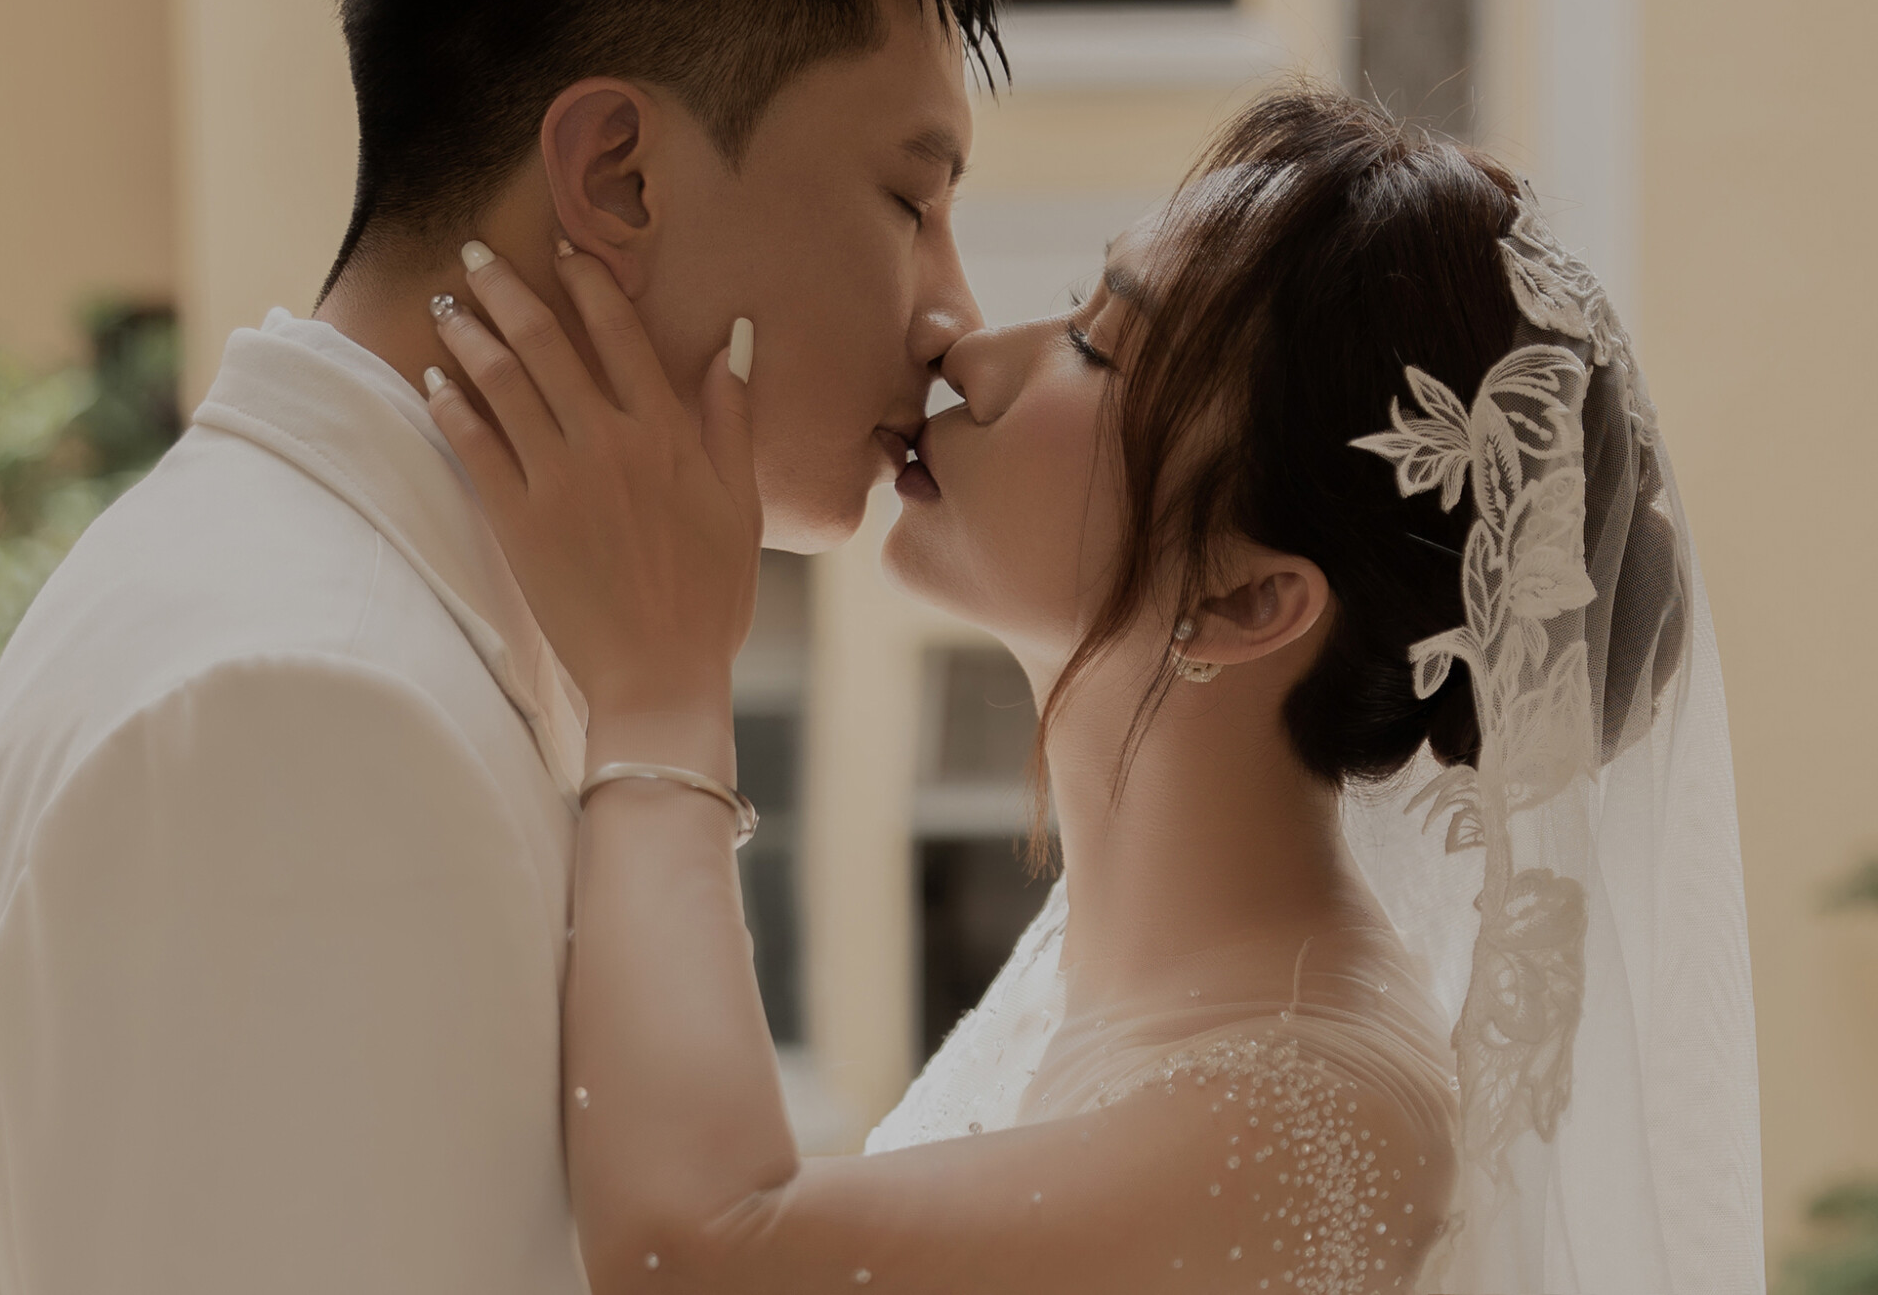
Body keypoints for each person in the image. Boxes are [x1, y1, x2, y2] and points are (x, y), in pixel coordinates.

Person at [0, 0, 1013, 1291]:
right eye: (912, 199)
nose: (957, 314)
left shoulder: (339, 611)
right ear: (618, 174)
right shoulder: (302, 707)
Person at [427, 87, 1765, 1293]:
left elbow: (697, 1255)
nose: (967, 349)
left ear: (1249, 598)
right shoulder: (1127, 982)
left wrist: (663, 688)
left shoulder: (1318, 1119)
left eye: (1098, 345)